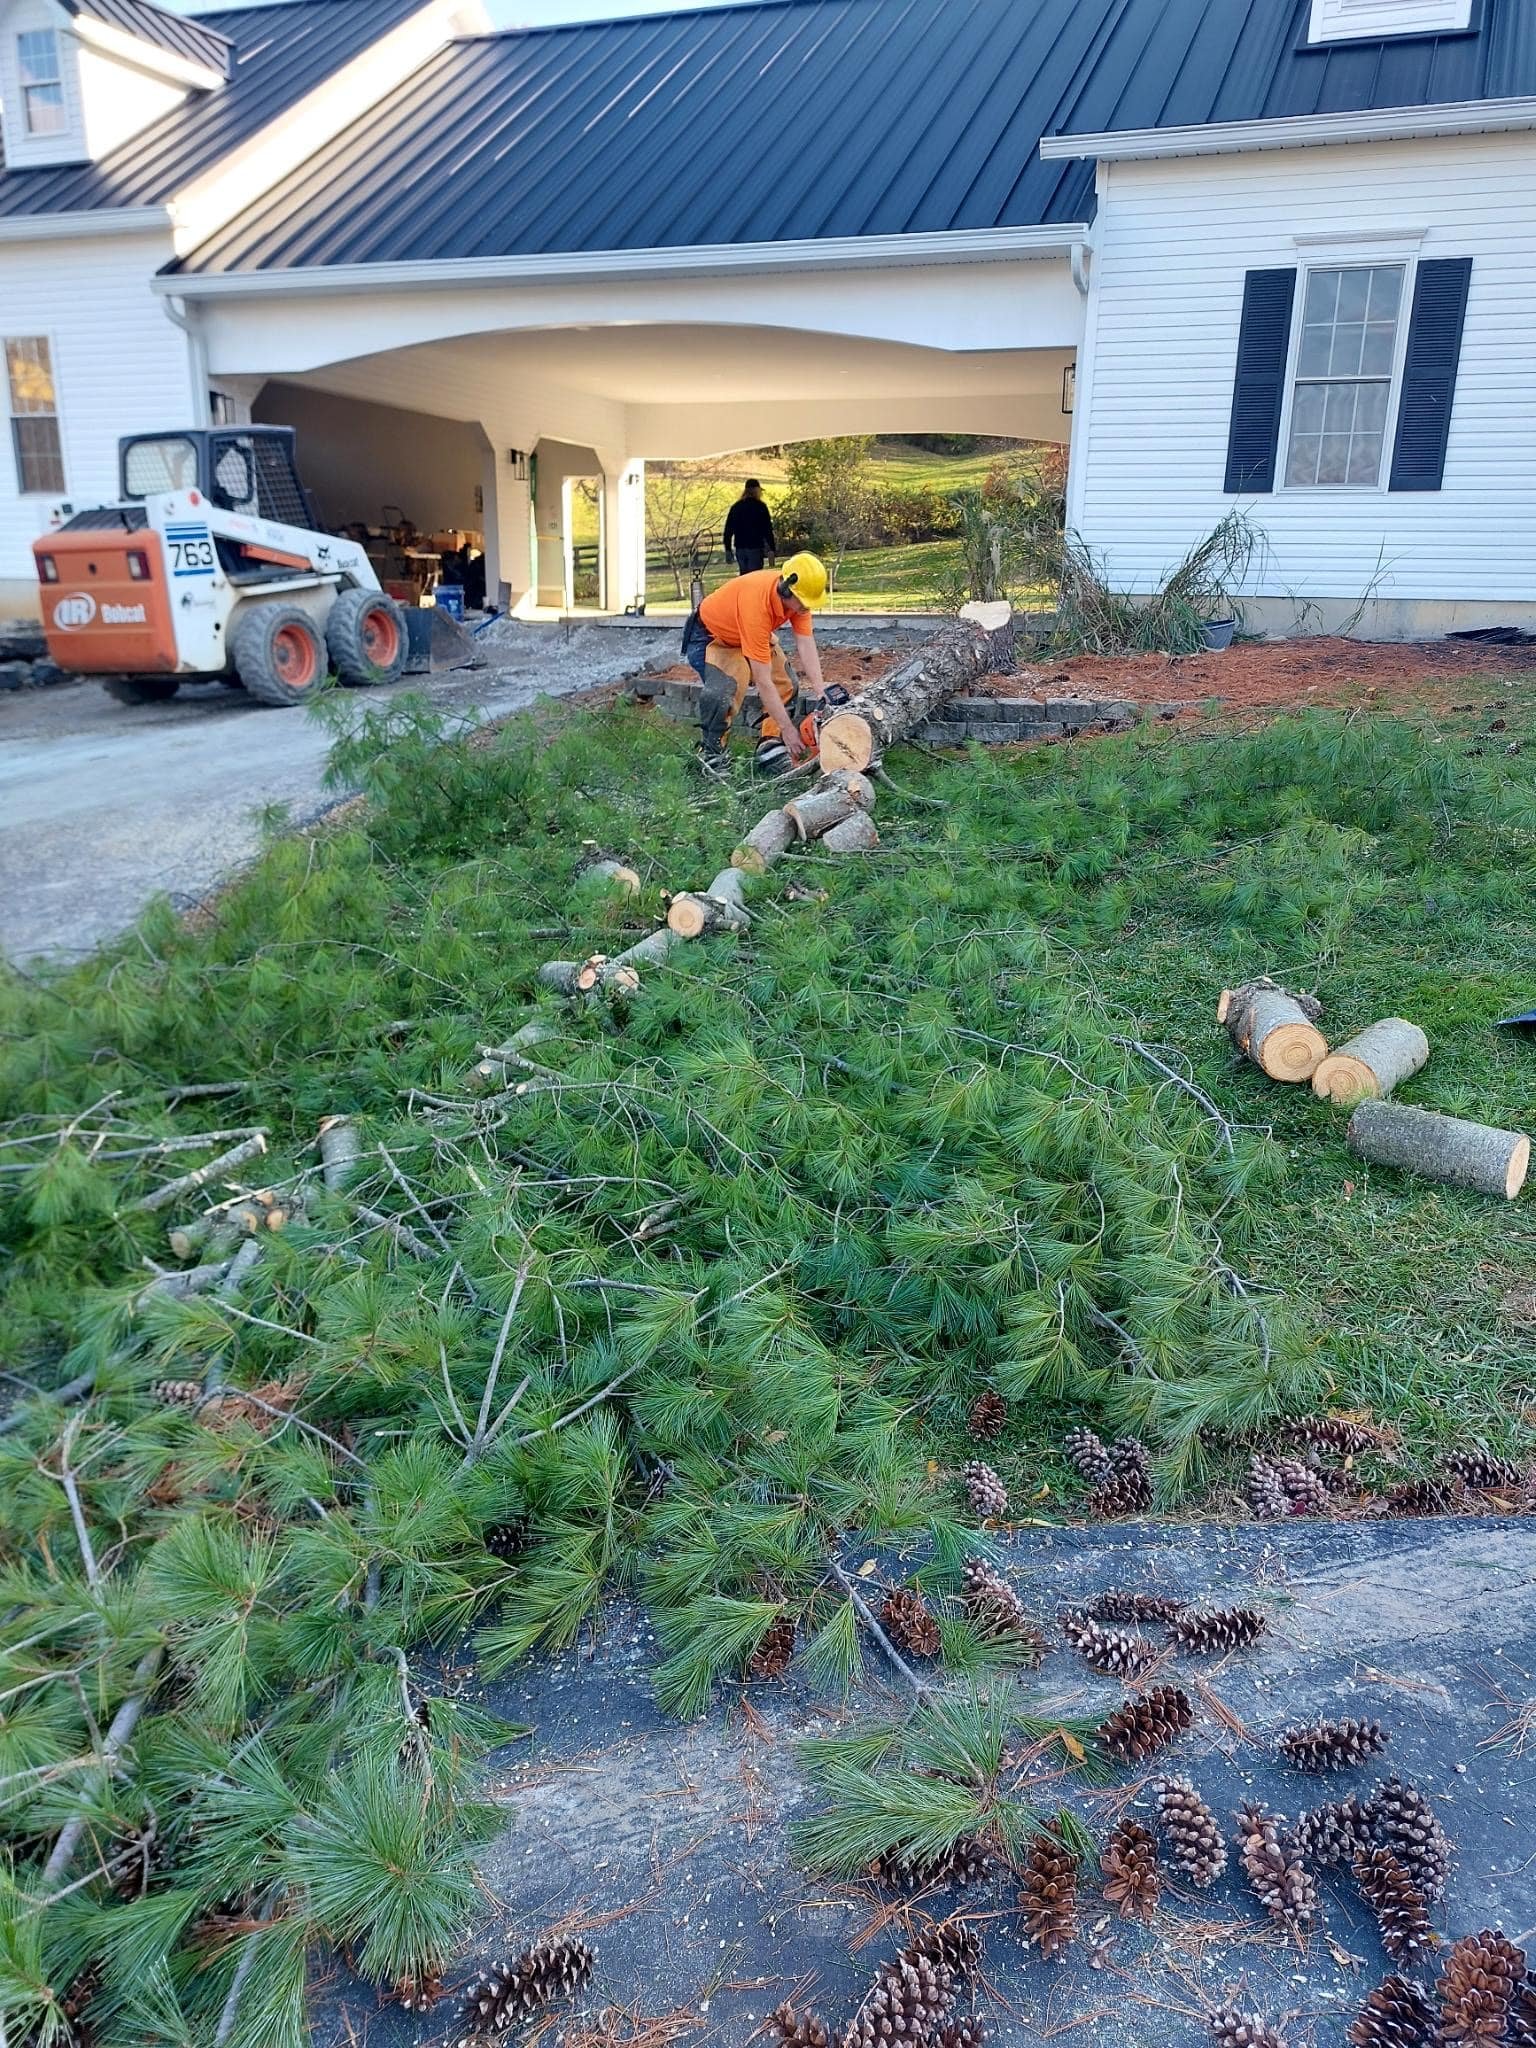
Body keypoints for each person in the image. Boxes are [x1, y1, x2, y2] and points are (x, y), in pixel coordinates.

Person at [682, 553, 830, 773]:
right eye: (803, 603)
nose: (806, 608)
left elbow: (806, 643)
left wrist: (821, 693)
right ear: (785, 590)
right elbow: (762, 681)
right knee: (723, 691)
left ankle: (770, 746)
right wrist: (789, 728)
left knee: (786, 683)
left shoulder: (799, 602)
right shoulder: (757, 604)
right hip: (710, 637)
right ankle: (713, 755)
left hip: (745, 634)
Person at [722, 478, 777, 575]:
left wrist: (728, 549)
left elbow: (728, 530)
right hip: (755, 547)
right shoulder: (760, 507)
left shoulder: (736, 507)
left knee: (744, 575)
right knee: (755, 576)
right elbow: (767, 530)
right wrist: (771, 549)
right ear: (756, 490)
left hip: (740, 548)